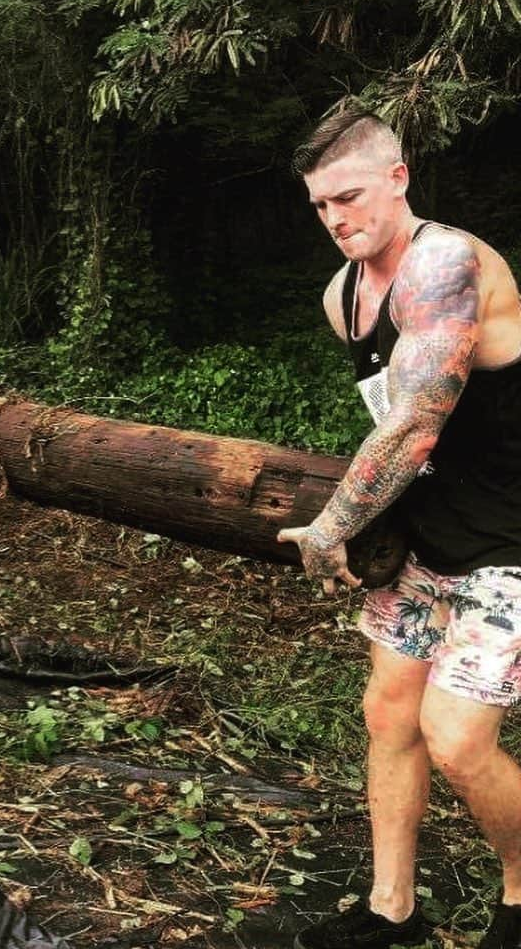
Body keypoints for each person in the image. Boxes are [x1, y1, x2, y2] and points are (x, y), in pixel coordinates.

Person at [277, 106, 521, 949]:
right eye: (320, 206)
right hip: (427, 536)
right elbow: (395, 434)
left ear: (398, 178)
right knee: (390, 716)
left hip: (510, 540)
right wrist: (374, 531)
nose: (337, 219)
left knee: (457, 741)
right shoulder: (343, 294)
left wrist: (329, 527)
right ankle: (393, 911)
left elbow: (416, 420)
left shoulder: (446, 264)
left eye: (349, 196)